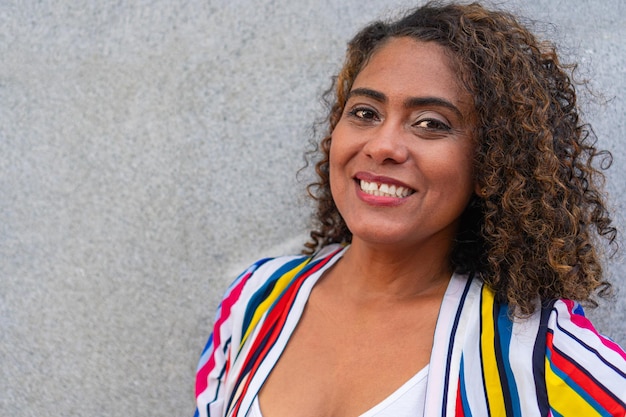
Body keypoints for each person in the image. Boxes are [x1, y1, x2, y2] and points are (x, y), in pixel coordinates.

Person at [194, 2, 626, 416]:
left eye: (431, 123)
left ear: (490, 162)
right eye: (365, 112)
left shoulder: (530, 349)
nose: (382, 146)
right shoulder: (254, 300)